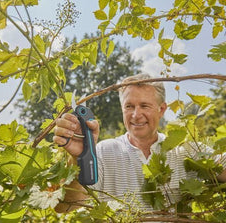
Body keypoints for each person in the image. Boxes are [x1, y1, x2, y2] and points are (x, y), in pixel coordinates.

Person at [53, 73, 226, 212]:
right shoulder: (104, 151)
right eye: (129, 106)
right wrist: (79, 159)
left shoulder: (186, 149)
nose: (136, 115)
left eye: (144, 106)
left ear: (162, 109)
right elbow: (65, 206)